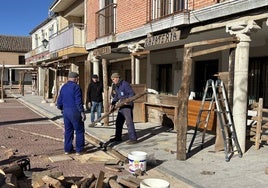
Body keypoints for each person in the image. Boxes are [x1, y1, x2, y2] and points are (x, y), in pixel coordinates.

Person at [57, 72, 86, 155]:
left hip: (66, 111)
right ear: (76, 78)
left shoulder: (63, 87)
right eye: (77, 79)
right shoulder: (76, 87)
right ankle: (79, 150)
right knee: (79, 130)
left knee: (68, 131)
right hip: (75, 111)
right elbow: (78, 101)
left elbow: (59, 101)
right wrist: (82, 112)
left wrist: (61, 108)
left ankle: (67, 149)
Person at [109, 72, 138, 144]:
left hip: (127, 105)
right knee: (118, 122)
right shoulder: (116, 86)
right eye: (112, 80)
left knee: (129, 122)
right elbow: (116, 96)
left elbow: (132, 93)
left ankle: (133, 139)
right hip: (121, 105)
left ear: (117, 78)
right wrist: (113, 103)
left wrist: (127, 100)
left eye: (113, 79)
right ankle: (118, 137)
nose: (113, 81)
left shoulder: (125, 84)